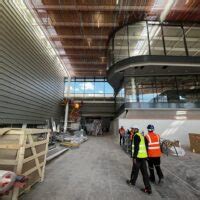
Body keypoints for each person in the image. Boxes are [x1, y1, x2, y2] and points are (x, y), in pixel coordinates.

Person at [127, 126, 152, 194]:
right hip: (143, 157)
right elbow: (146, 145)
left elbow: (136, 148)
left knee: (135, 170)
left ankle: (132, 182)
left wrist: (134, 157)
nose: (131, 130)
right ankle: (148, 188)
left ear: (136, 129)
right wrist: (146, 155)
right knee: (145, 173)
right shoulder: (142, 136)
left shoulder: (136, 136)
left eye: (132, 129)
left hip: (138, 157)